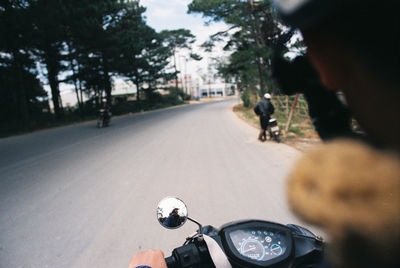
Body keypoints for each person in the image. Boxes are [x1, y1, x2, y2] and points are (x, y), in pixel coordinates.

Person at [128, 0, 400, 267]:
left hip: (267, 119)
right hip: (266, 118)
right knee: (263, 126)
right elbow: (261, 111)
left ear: (323, 61)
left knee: (263, 127)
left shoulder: (379, 236)